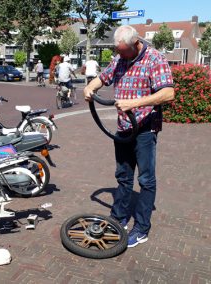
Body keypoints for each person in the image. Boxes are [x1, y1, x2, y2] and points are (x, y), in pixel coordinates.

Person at [83, 25, 175, 248]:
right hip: (123, 128)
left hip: (144, 129)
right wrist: (90, 87)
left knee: (145, 180)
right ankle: (120, 217)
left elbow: (168, 93)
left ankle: (142, 228)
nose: (121, 56)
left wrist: (134, 103)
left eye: (124, 51)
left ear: (136, 44)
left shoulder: (155, 59)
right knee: (123, 176)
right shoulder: (120, 58)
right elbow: (103, 77)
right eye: (119, 51)